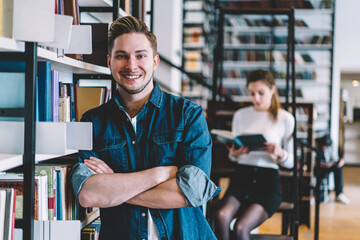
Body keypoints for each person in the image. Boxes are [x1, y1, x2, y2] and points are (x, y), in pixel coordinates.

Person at [70, 16, 221, 240]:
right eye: (122, 56)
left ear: (155, 61)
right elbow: (88, 194)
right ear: (109, 61)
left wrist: (116, 186)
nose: (131, 65)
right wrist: (162, 173)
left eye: (141, 55)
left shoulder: (188, 115)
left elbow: (192, 192)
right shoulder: (92, 122)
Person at [214, 69, 295, 240]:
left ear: (272, 90)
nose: (255, 98)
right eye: (251, 93)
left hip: (267, 182)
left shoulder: (285, 118)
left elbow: (291, 163)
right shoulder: (241, 115)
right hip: (242, 177)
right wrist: (234, 154)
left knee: (241, 227)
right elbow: (234, 156)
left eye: (261, 93)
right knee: (221, 216)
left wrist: (279, 152)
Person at [315, 134, 350, 205]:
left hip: (328, 165)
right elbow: (313, 161)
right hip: (319, 167)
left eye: (326, 146)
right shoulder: (315, 146)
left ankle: (339, 194)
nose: (324, 148)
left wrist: (339, 162)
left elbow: (334, 158)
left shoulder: (331, 146)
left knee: (338, 168)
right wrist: (322, 164)